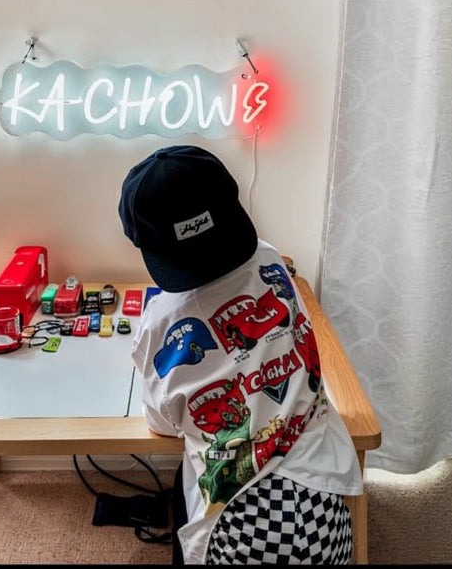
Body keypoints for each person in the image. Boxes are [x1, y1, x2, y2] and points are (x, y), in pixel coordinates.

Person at [119, 145, 362, 564]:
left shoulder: (161, 320)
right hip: (326, 510)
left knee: (188, 481)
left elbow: (162, 423)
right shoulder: (272, 261)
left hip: (239, 532)